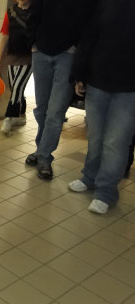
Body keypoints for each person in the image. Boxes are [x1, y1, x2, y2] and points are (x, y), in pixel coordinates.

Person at [68, 0, 135, 214]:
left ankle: (106, 192)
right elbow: (88, 37)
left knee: (116, 142)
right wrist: (80, 74)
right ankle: (89, 177)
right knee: (95, 137)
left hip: (129, 89)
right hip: (97, 81)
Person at [25, 0, 94, 180]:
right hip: (41, 52)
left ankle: (45, 157)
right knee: (41, 109)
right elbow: (33, 15)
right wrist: (34, 43)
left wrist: (76, 49)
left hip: (67, 56)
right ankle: (41, 149)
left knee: (55, 112)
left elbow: (87, 25)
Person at [0, 0, 33, 135]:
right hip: (11, 55)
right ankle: (21, 115)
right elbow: (5, 36)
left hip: (29, 56)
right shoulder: (10, 12)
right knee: (15, 88)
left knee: (17, 87)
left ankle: (8, 118)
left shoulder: (36, 10)